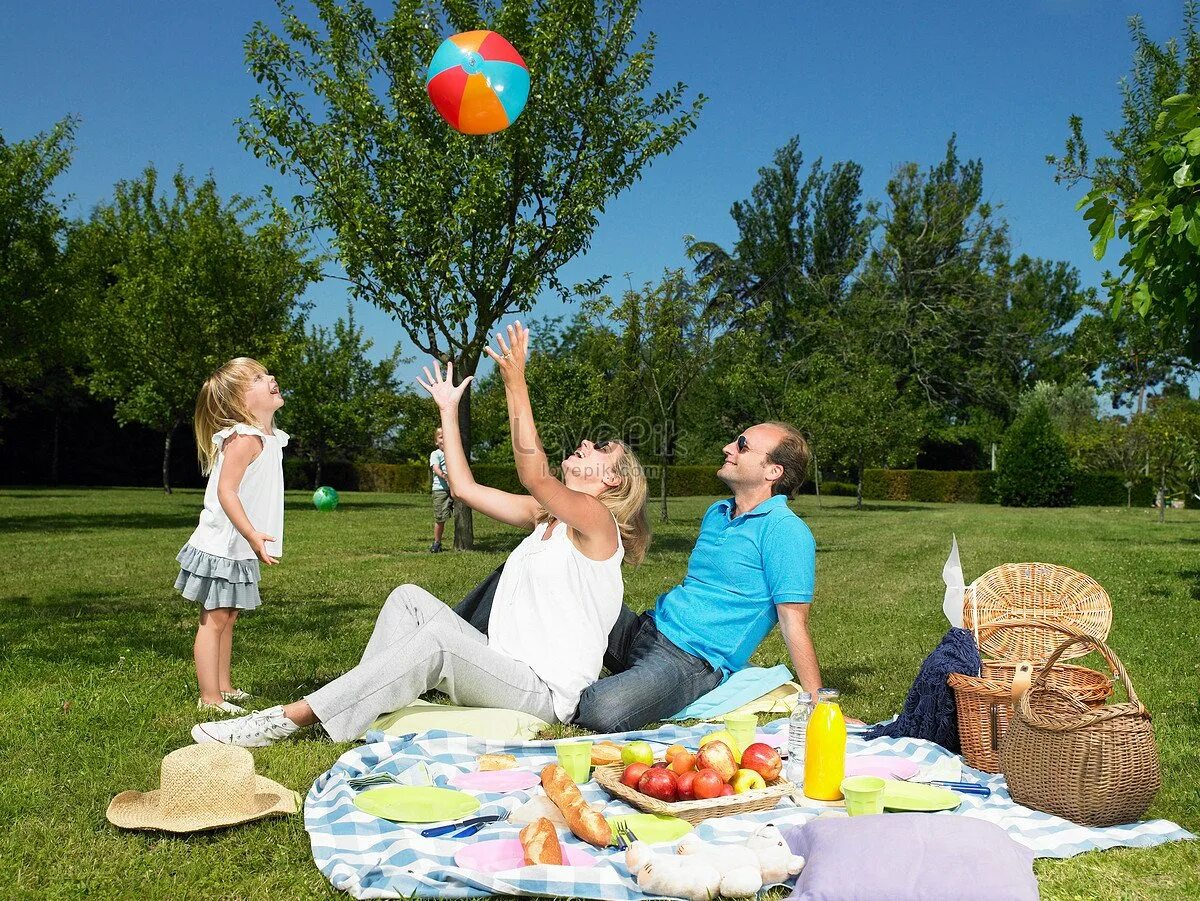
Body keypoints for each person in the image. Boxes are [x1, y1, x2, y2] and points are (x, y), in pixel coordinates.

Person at [191, 322, 651, 748]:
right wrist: (448, 411)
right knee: (408, 598)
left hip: (541, 692)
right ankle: (360, 703)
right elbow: (464, 488)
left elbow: (535, 475)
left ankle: (285, 721)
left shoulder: (597, 524)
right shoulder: (545, 518)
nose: (587, 444)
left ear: (613, 481)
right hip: (499, 662)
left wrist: (516, 382)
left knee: (438, 642)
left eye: (602, 448)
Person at [572, 422, 821, 733]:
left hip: (688, 662)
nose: (728, 448)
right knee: (558, 588)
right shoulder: (717, 512)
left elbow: (793, 621)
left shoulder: (785, 531)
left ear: (773, 471)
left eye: (742, 445)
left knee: (600, 708)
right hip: (645, 629)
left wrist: (817, 704)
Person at [175, 358, 288, 715]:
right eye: (257, 377)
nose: (270, 378)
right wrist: (252, 533)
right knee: (215, 619)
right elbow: (227, 491)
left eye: (266, 373)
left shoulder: (268, 438)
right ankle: (209, 697)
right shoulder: (245, 439)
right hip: (223, 545)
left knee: (229, 616)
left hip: (240, 545)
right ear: (241, 400)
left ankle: (224, 686)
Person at [429, 427, 452, 552]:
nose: (444, 440)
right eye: (441, 437)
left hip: (454, 489)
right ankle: (437, 542)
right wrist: (445, 476)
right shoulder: (436, 454)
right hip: (441, 490)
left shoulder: (453, 454)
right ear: (436, 442)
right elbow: (436, 468)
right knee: (440, 518)